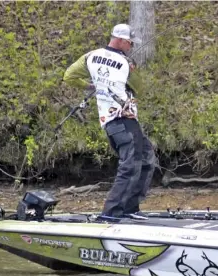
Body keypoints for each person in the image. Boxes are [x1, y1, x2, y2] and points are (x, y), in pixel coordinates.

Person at [63, 24, 155, 217]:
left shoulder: (90, 56)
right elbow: (141, 89)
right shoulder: (125, 63)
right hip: (124, 119)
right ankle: (111, 214)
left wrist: (91, 85)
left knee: (147, 158)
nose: (130, 46)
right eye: (129, 42)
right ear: (120, 40)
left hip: (110, 122)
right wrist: (132, 69)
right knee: (130, 165)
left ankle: (130, 208)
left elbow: (69, 76)